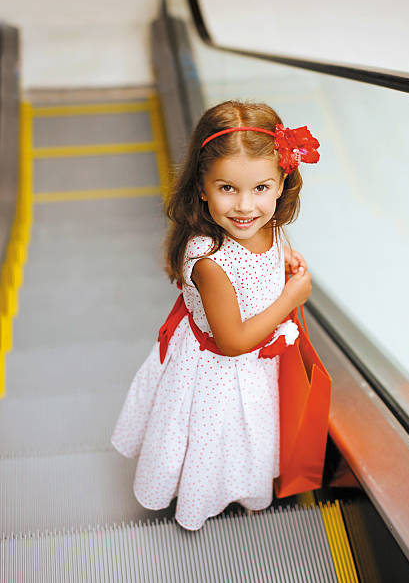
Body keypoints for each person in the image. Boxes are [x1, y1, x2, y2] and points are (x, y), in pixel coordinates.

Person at [111, 100, 320, 530]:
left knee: (246, 436)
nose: (245, 206)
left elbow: (263, 249)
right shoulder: (210, 260)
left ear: (283, 181)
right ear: (202, 187)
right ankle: (199, 502)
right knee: (214, 439)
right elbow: (233, 341)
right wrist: (291, 297)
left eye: (260, 188)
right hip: (215, 374)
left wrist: (283, 257)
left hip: (251, 371)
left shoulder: (266, 224)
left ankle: (244, 486)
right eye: (228, 188)